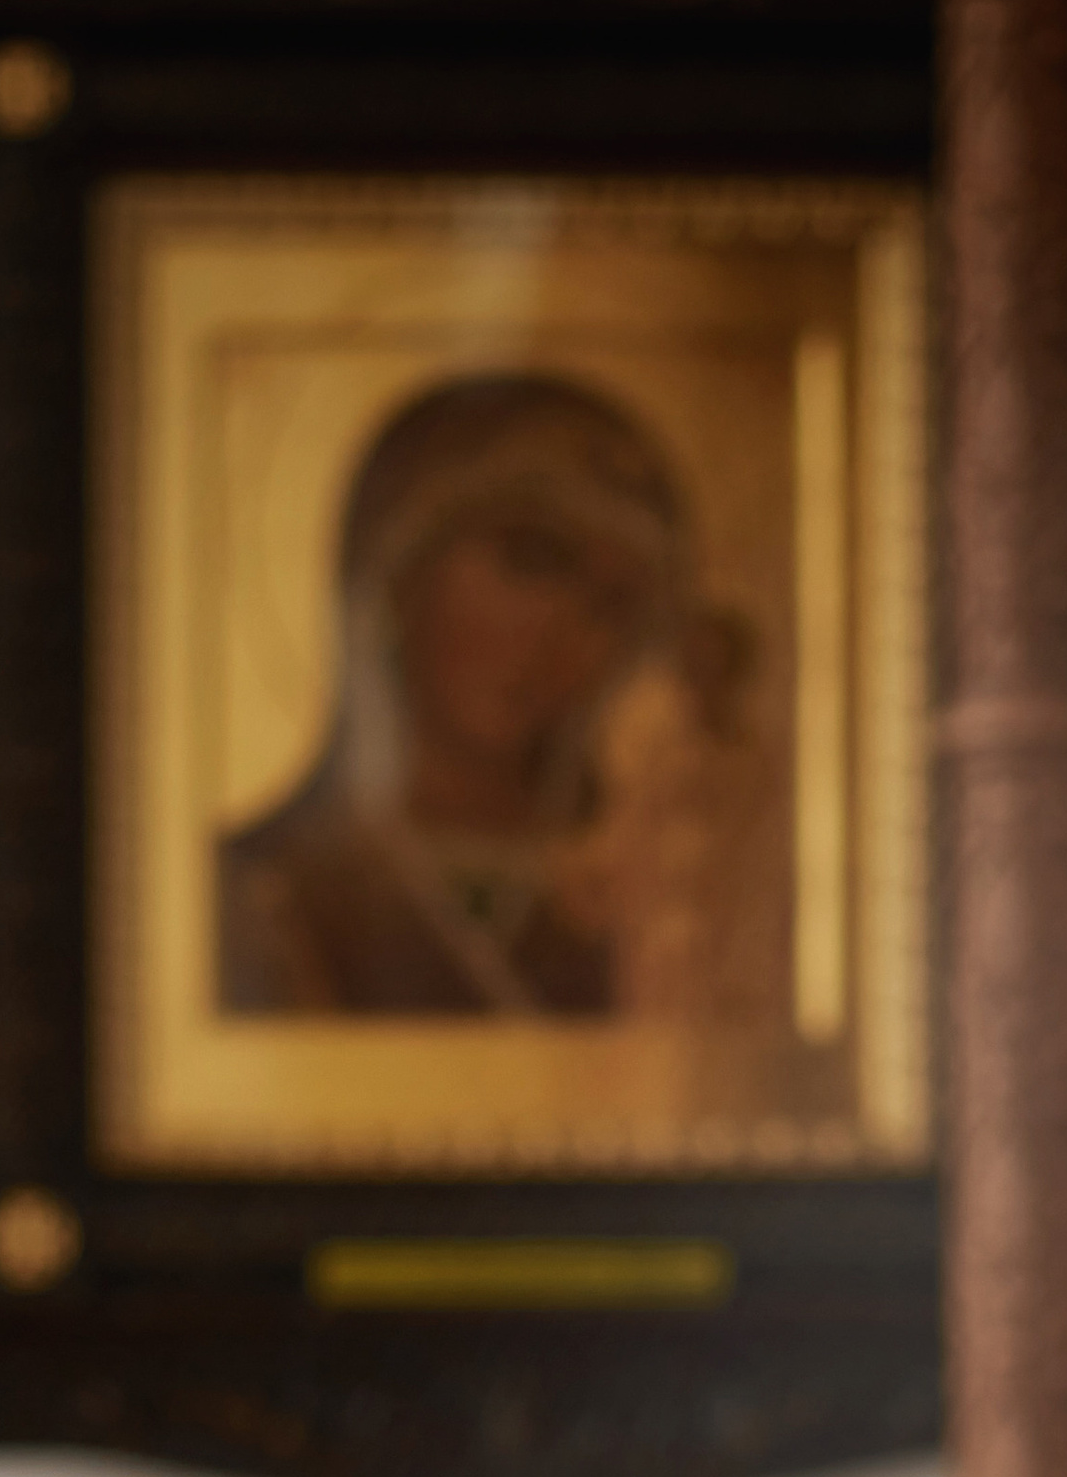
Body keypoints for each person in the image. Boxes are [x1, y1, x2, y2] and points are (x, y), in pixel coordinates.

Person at [216, 371, 727, 1017]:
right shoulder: (251, 894)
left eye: (610, 607)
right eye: (531, 560)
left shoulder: (660, 902)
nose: (560, 638)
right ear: (394, 561)